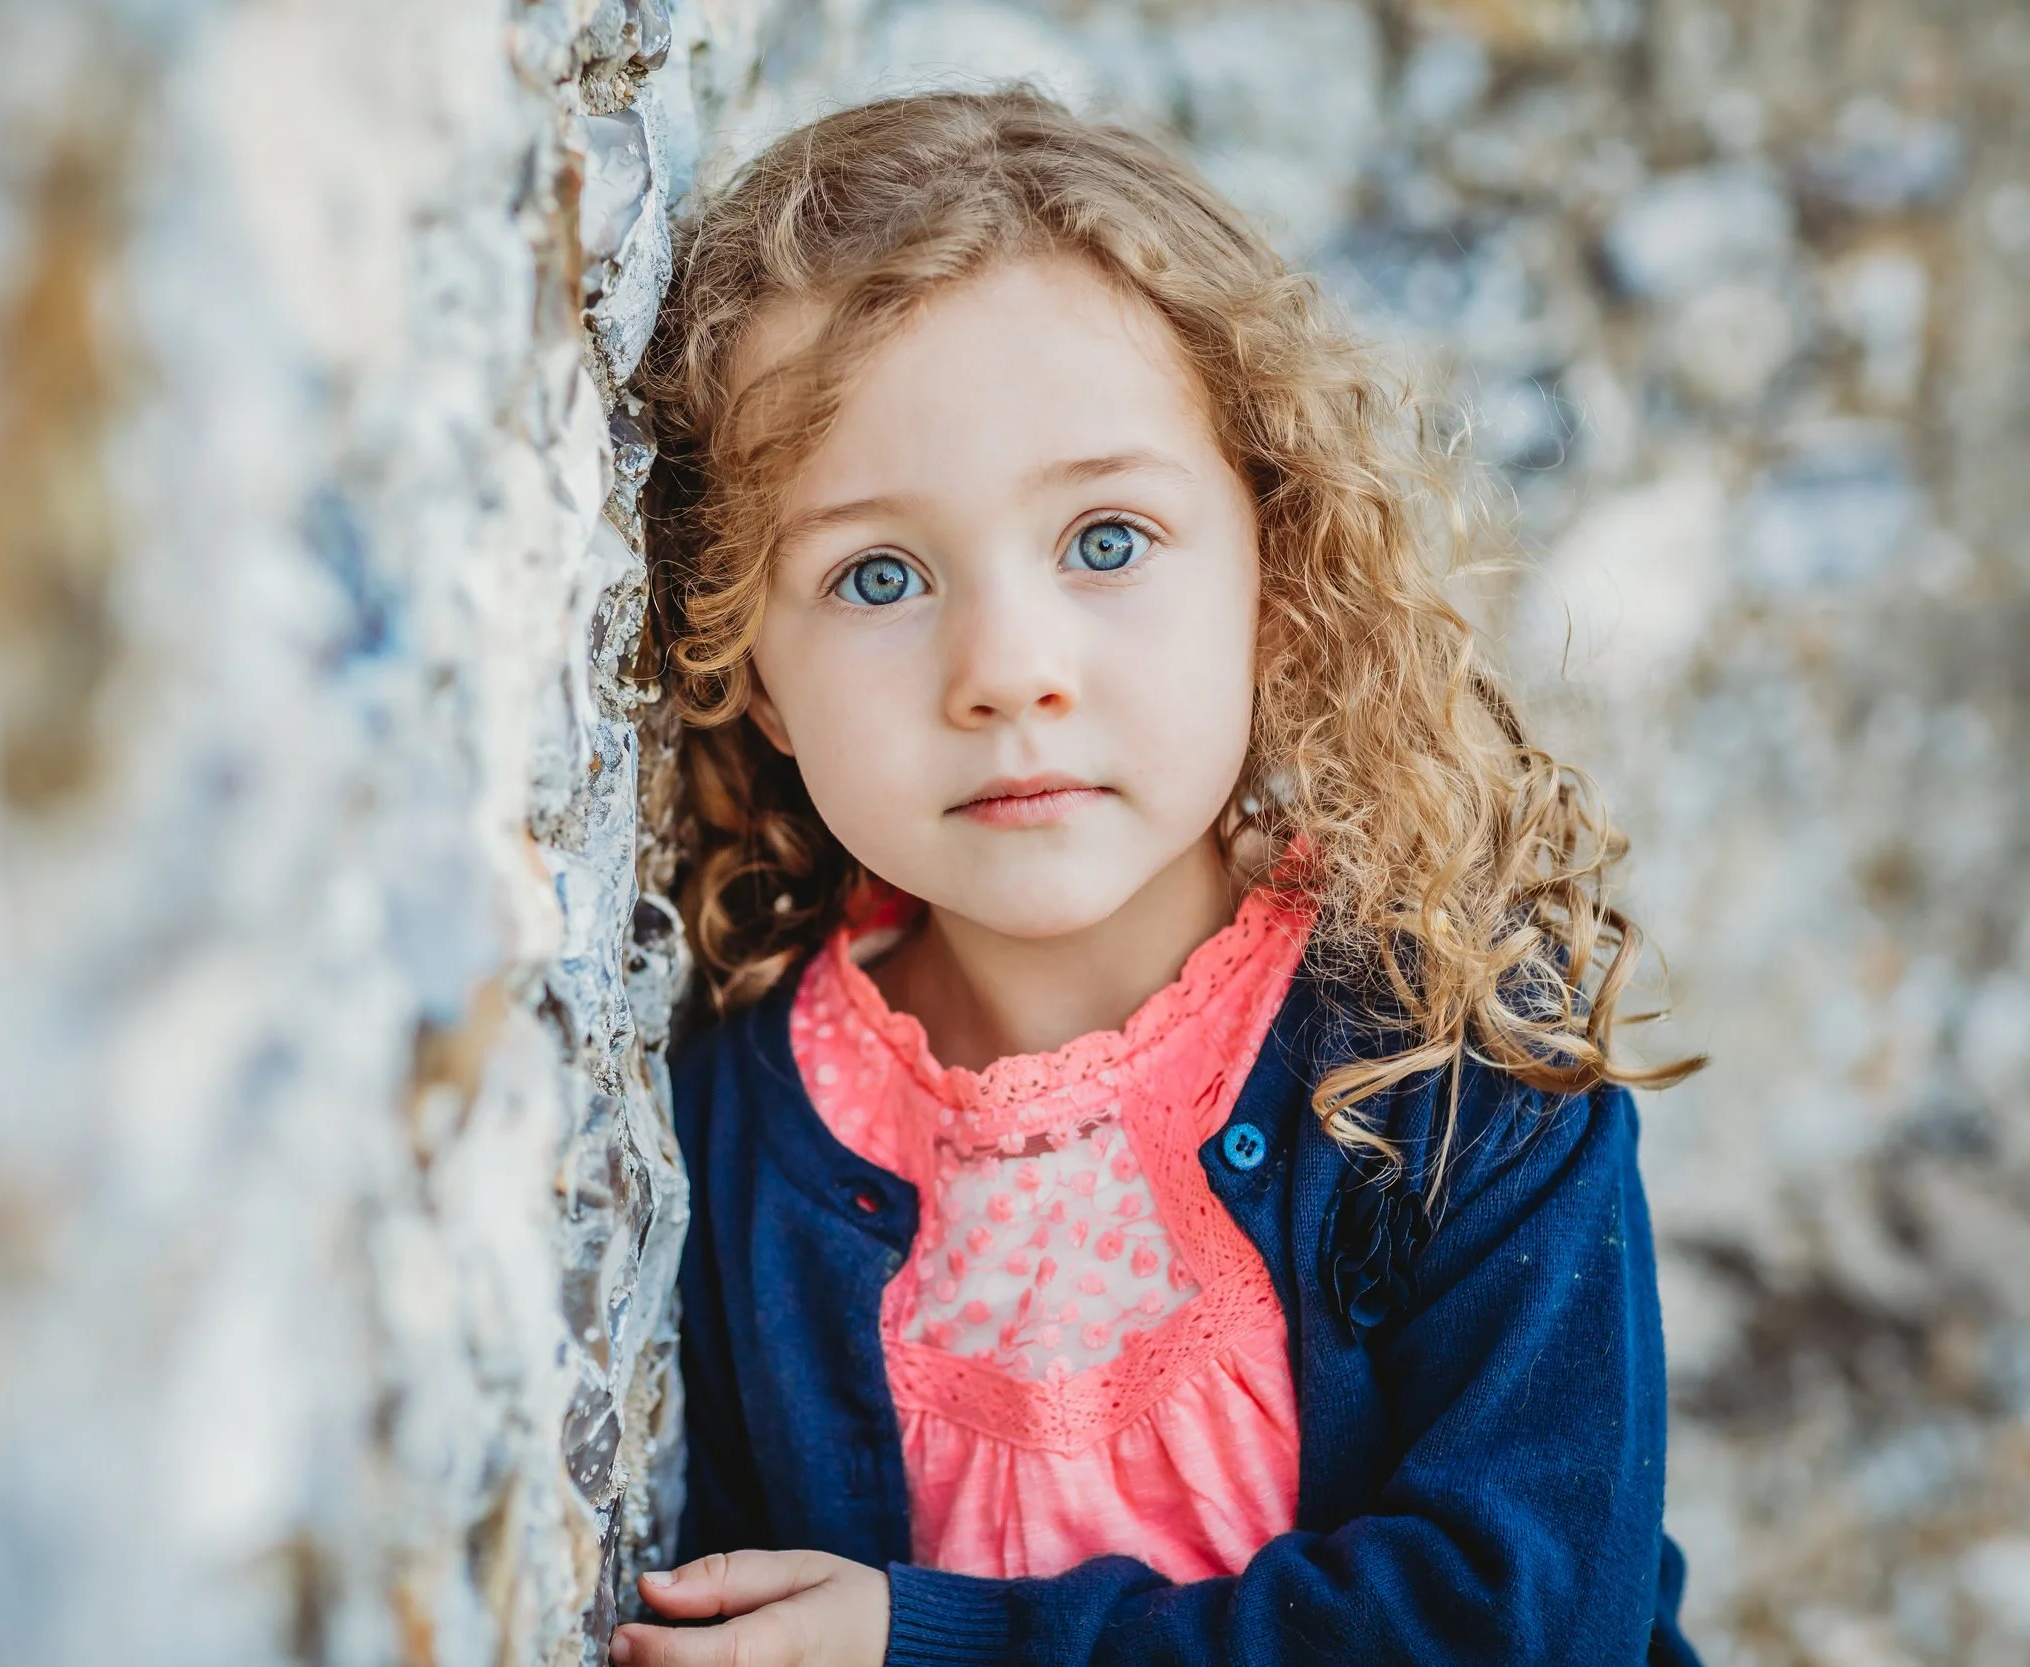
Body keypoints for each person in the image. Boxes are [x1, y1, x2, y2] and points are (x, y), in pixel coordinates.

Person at [612, 88, 1705, 1667]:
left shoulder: (1452, 1062)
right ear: (756, 676)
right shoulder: (738, 1135)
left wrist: (935, 1646)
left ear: (1272, 567)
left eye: (1107, 540)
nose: (1007, 670)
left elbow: (1524, 1620)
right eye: (876, 574)